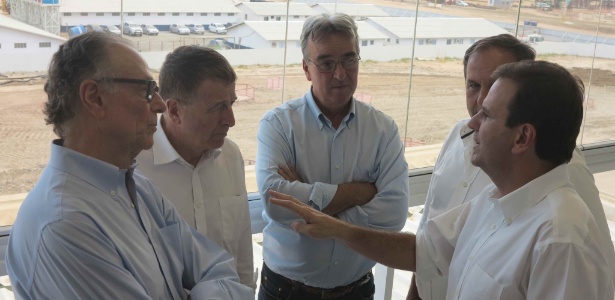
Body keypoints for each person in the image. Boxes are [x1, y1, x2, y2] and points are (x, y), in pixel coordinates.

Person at [270, 60, 615, 300]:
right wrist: (334, 227)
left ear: (522, 138)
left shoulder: (561, 239)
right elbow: (424, 252)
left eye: (488, 114)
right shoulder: (496, 201)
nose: (472, 123)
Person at [5, 32, 253, 299]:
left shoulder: (140, 189)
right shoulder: (66, 223)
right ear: (95, 97)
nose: (159, 105)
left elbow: (219, 268)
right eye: (146, 91)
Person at [409, 34, 612, 300]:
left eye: (492, 87)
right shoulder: (468, 153)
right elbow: (430, 244)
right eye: (472, 85)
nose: (480, 101)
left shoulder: (562, 224)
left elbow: (590, 269)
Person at [255, 13, 409, 300]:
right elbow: (275, 203)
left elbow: (394, 214)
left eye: (349, 60)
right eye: (326, 63)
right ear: (306, 69)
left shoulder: (382, 130)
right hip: (286, 291)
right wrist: (358, 193)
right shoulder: (277, 125)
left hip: (357, 290)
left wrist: (307, 200)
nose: (340, 74)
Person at [136, 45, 255, 290]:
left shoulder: (230, 156)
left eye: (231, 104)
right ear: (175, 110)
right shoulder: (133, 169)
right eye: (217, 108)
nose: (230, 120)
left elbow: (242, 255)